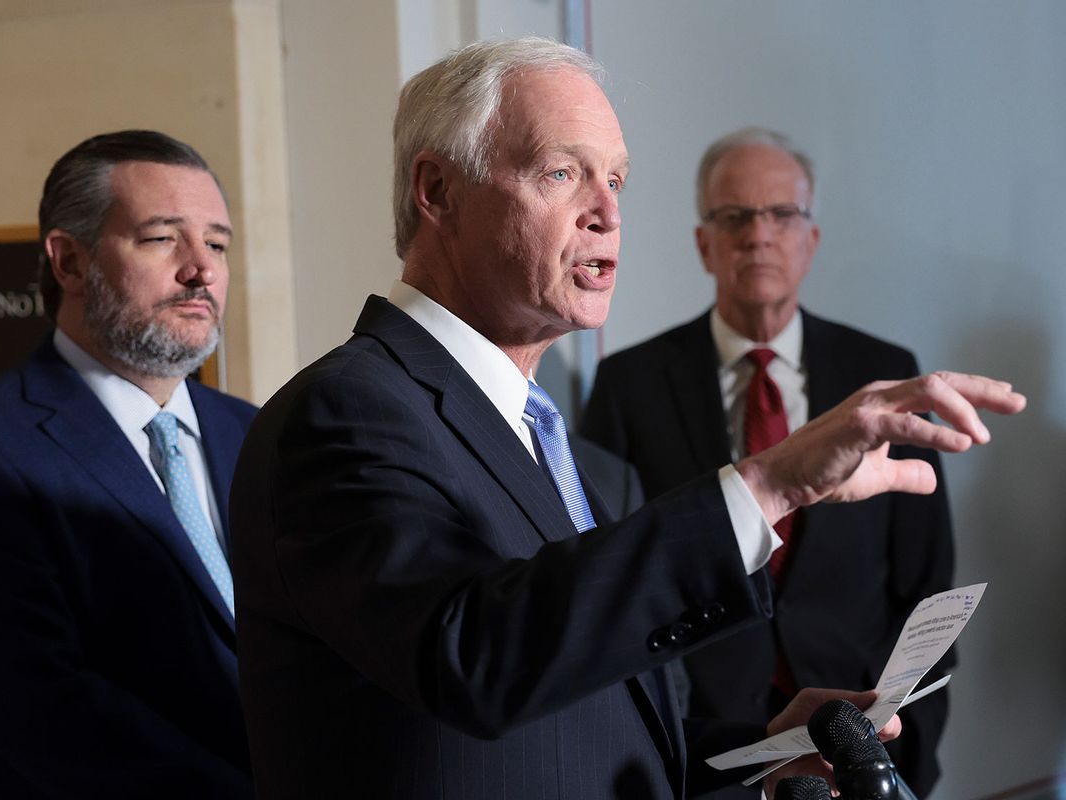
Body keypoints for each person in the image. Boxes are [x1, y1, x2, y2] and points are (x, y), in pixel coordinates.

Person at [229, 38, 1022, 800]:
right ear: (436, 192)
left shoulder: (536, 429)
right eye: (562, 172)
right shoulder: (347, 413)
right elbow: (474, 659)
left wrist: (763, 752)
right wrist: (766, 483)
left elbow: (583, 706)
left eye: (618, 180)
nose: (607, 212)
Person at [581, 127, 953, 796]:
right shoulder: (627, 385)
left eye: (782, 214)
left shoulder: (884, 376)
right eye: (735, 216)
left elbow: (925, 587)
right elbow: (611, 579)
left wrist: (913, 759)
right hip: (700, 749)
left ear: (811, 239)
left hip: (862, 744)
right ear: (705, 243)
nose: (759, 235)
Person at [0, 130, 256, 798]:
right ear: (70, 262)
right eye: (161, 238)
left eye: (218, 244)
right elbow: (42, 708)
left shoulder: (254, 432)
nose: (201, 269)